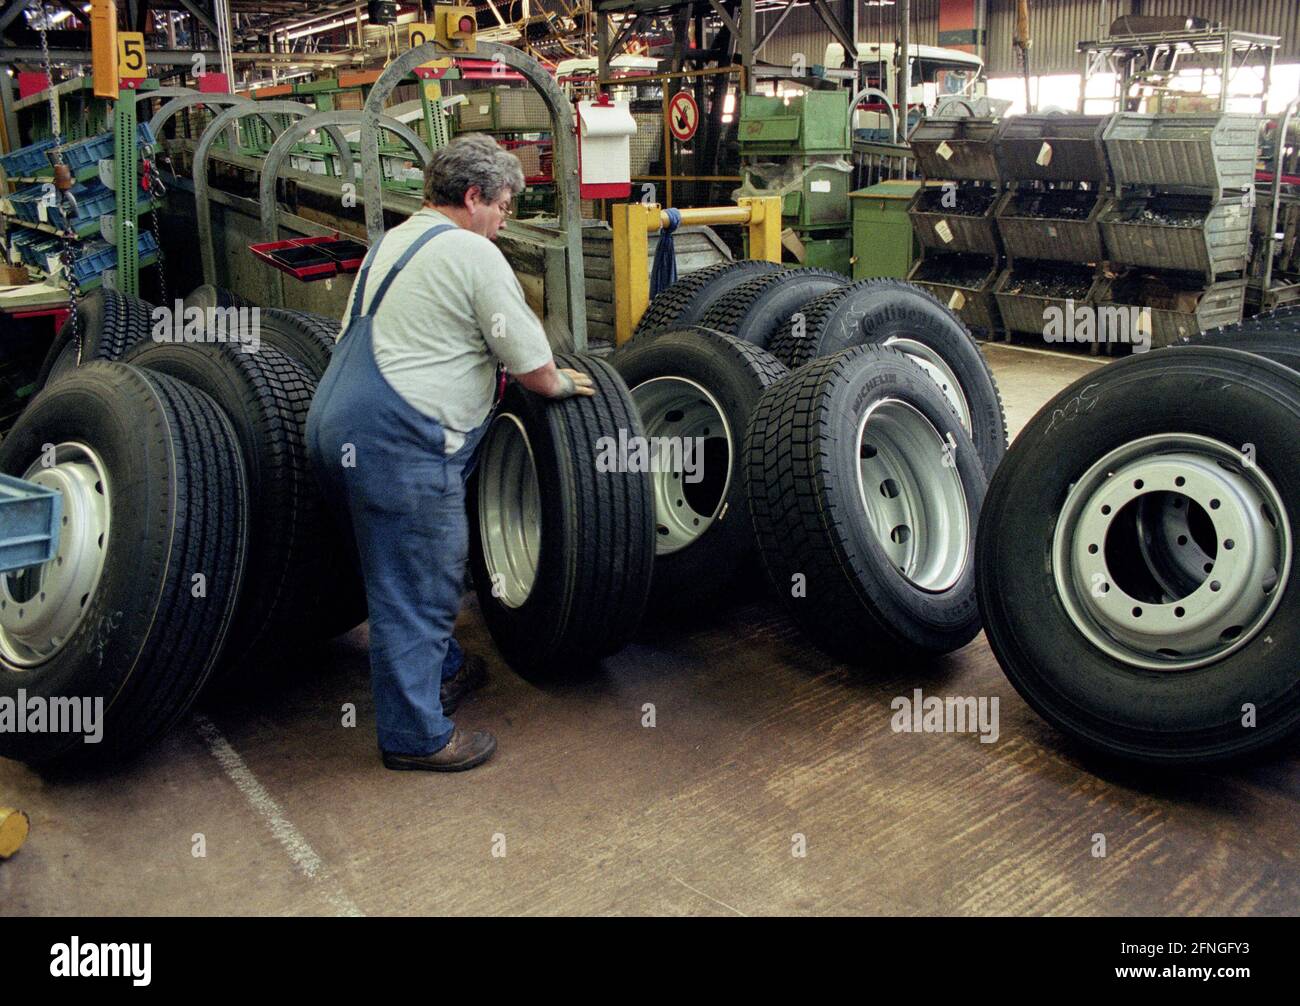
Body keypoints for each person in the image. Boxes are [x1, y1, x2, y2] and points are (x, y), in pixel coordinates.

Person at [306, 134, 595, 772]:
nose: (505, 220)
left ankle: (441, 668)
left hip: (336, 424)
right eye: (503, 206)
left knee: (393, 570)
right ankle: (417, 737)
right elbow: (529, 362)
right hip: (399, 441)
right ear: (473, 198)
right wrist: (557, 381)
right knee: (421, 585)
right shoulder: (472, 251)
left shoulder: (396, 239)